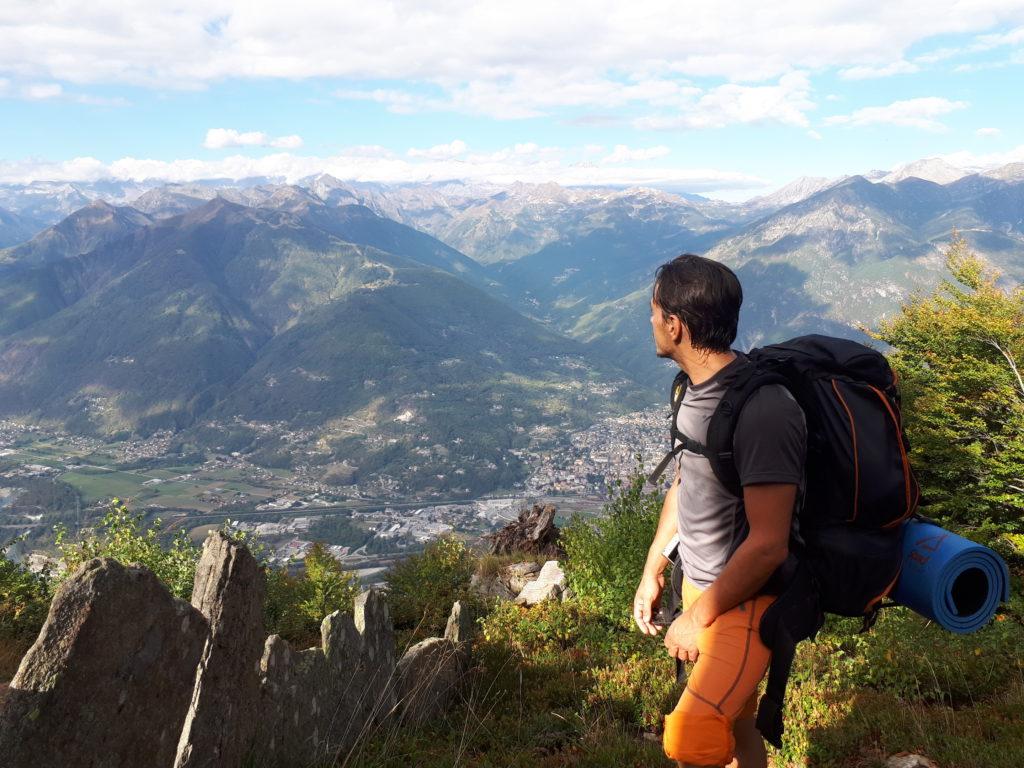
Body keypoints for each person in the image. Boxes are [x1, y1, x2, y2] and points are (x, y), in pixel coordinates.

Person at [633, 254, 806, 768]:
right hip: (700, 584)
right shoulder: (695, 391)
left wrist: (696, 617)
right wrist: (654, 568)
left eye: (653, 310)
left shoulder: (762, 410)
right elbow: (688, 484)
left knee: (691, 737)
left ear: (675, 325)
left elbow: (769, 544)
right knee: (737, 724)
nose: (650, 321)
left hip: (746, 597)